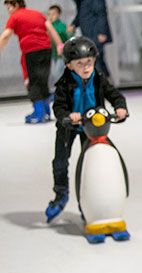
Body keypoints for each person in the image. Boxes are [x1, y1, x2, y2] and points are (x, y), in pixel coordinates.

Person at [46, 36, 128, 223]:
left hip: (92, 128)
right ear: (69, 66)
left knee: (90, 164)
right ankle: (61, 194)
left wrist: (120, 107)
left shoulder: (98, 79)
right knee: (60, 161)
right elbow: (58, 107)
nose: (86, 67)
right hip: (68, 128)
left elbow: (114, 95)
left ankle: (88, 202)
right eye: (80, 63)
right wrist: (67, 115)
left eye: (89, 62)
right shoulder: (64, 84)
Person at [0, 0, 64, 123]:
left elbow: (5, 35)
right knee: (43, 80)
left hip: (32, 51)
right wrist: (59, 44)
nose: (8, 11)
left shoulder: (15, 17)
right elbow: (50, 28)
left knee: (34, 81)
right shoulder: (37, 14)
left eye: (9, 7)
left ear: (16, 5)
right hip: (46, 49)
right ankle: (46, 112)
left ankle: (38, 113)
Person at [69, 0, 112, 77]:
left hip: (96, 34)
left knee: (95, 59)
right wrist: (74, 24)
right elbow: (81, 13)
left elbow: (101, 13)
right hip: (88, 34)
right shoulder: (81, 2)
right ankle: (105, 83)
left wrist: (102, 32)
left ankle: (102, 84)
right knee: (97, 60)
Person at [47, 4, 70, 93]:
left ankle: (63, 91)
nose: (51, 16)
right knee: (54, 73)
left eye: (53, 14)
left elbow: (67, 39)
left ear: (58, 14)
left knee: (58, 73)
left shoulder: (61, 27)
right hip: (53, 54)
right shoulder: (48, 26)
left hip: (61, 55)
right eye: (49, 14)